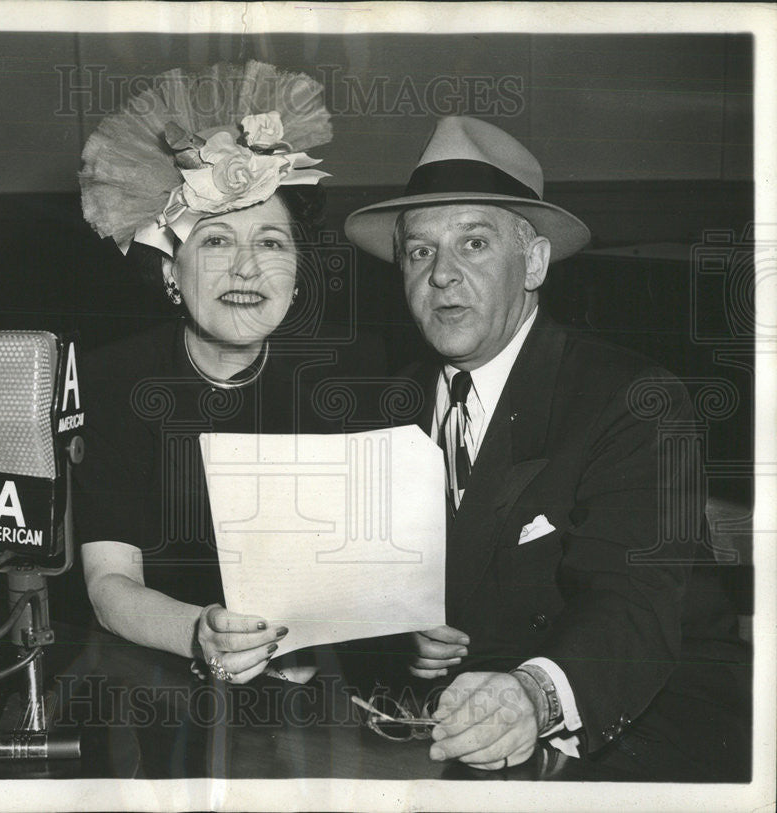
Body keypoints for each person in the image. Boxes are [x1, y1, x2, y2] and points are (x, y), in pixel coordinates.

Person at [344, 116, 750, 780]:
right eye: (419, 251)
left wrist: (535, 694)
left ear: (533, 262)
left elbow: (635, 597)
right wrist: (401, 641)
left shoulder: (632, 397)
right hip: (453, 733)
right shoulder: (379, 409)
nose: (442, 275)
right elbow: (364, 596)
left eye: (473, 242)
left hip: (638, 719)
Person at [74, 62, 375, 685]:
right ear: (169, 273)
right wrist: (199, 632)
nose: (245, 270)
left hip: (316, 688)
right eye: (214, 242)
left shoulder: (345, 382)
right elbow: (110, 584)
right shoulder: (115, 381)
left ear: (295, 278)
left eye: (270, 244)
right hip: (158, 680)